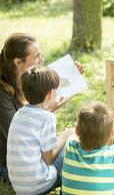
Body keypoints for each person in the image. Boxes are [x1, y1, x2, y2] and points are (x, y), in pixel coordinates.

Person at [0, 33, 84, 182]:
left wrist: (72, 74)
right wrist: (50, 112)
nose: (42, 61)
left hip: (34, 157)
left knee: (75, 141)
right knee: (74, 146)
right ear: (18, 62)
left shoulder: (29, 81)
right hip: (14, 165)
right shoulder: (3, 93)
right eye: (37, 57)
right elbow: (21, 133)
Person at [6, 66, 74, 195]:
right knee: (70, 143)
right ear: (50, 94)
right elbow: (49, 159)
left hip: (19, 187)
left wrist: (50, 109)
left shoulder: (19, 113)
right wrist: (65, 135)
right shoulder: (46, 118)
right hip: (40, 186)